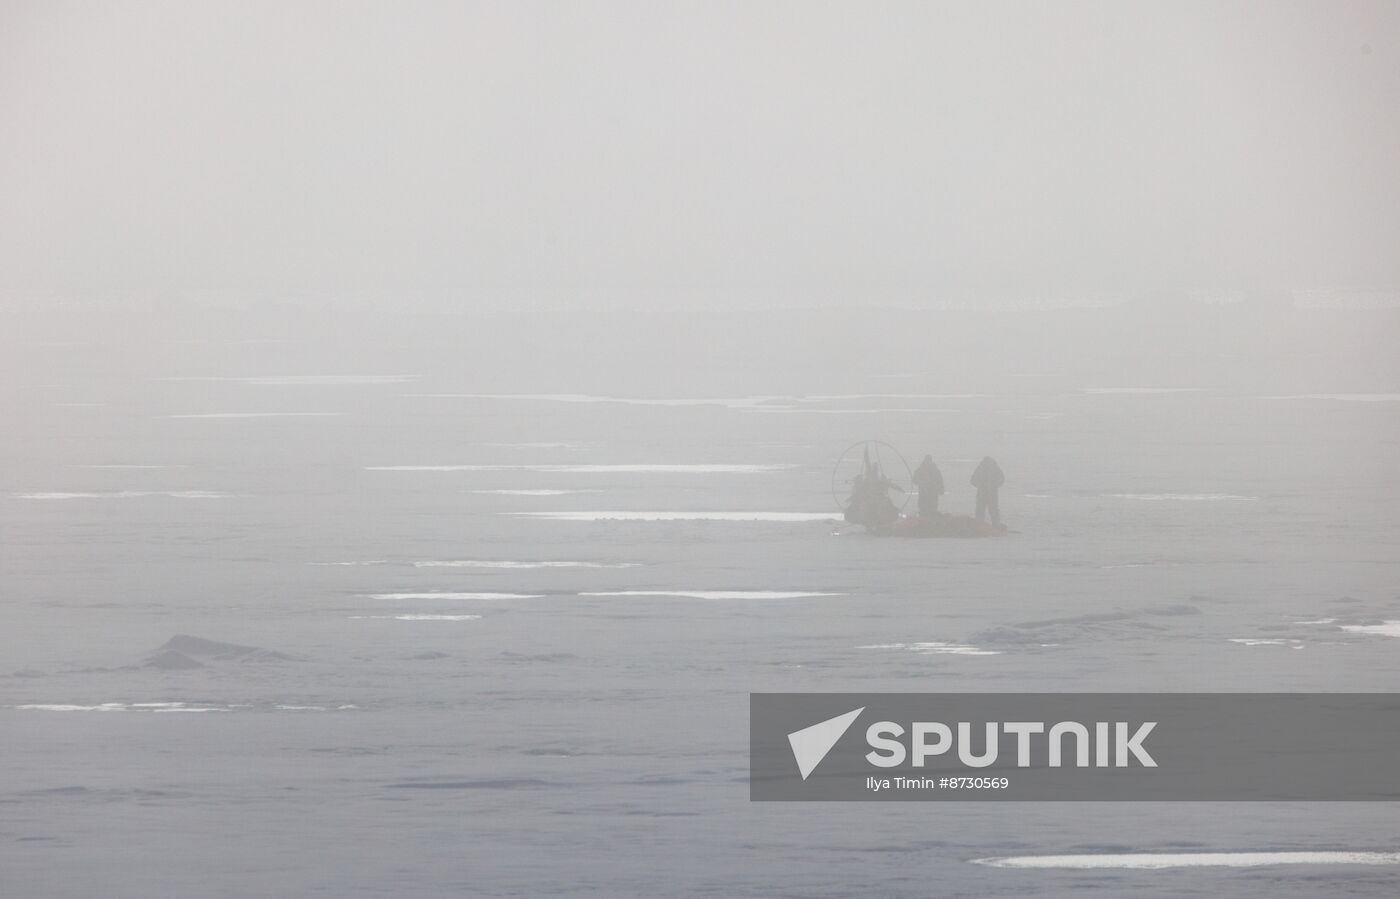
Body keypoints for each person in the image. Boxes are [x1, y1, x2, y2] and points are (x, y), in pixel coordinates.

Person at [970, 456, 1004, 526]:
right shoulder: (982, 468)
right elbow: (973, 480)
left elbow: (1001, 479)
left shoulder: (993, 468)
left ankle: (994, 525)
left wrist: (993, 485)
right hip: (984, 493)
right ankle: (980, 525)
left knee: (991, 509)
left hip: (990, 493)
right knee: (981, 509)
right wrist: (981, 485)